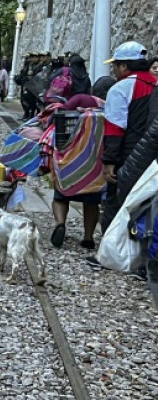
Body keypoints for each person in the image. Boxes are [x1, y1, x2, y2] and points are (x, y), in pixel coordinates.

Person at [50, 76, 116, 250]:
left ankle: (60, 224)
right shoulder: (113, 108)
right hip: (94, 164)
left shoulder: (81, 99)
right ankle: (88, 237)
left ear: (93, 90)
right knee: (91, 201)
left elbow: (60, 116)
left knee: (61, 195)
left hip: (71, 157)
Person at [100, 41, 157, 231]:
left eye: (115, 65)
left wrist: (109, 161)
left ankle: (110, 252)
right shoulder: (155, 84)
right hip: (152, 154)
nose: (114, 70)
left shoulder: (121, 88)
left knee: (116, 202)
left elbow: (115, 128)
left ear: (124, 65)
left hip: (127, 154)